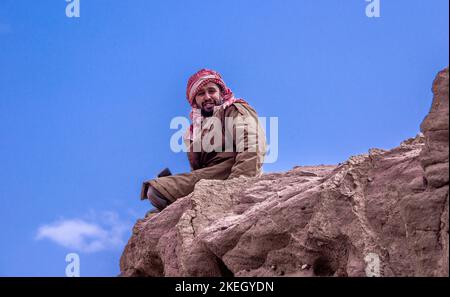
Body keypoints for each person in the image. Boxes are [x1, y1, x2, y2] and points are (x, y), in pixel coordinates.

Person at [141, 68, 266, 211]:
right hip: (210, 179)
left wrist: (236, 185)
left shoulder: (232, 109)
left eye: (211, 91)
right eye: (201, 93)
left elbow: (252, 145)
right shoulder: (195, 130)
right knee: (154, 207)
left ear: (221, 93)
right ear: (195, 100)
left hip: (230, 171)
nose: (207, 97)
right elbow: (199, 170)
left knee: (157, 189)